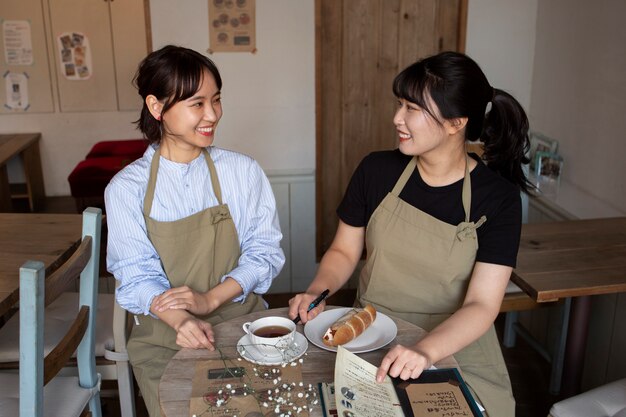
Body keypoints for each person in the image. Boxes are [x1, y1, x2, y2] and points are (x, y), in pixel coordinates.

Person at [288, 51, 531, 416]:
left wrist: (425, 351)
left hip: (456, 343)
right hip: (370, 332)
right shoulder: (377, 170)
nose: (397, 119)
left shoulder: (498, 198)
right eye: (399, 104)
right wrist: (317, 291)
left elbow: (482, 304)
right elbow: (343, 251)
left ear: (456, 122)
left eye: (412, 109)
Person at [105, 45, 285, 417]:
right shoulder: (127, 189)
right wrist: (182, 318)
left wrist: (208, 301)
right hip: (165, 338)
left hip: (243, 327)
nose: (212, 115)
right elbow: (136, 276)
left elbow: (264, 253)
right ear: (157, 108)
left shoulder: (242, 171)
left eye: (216, 100)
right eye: (197, 104)